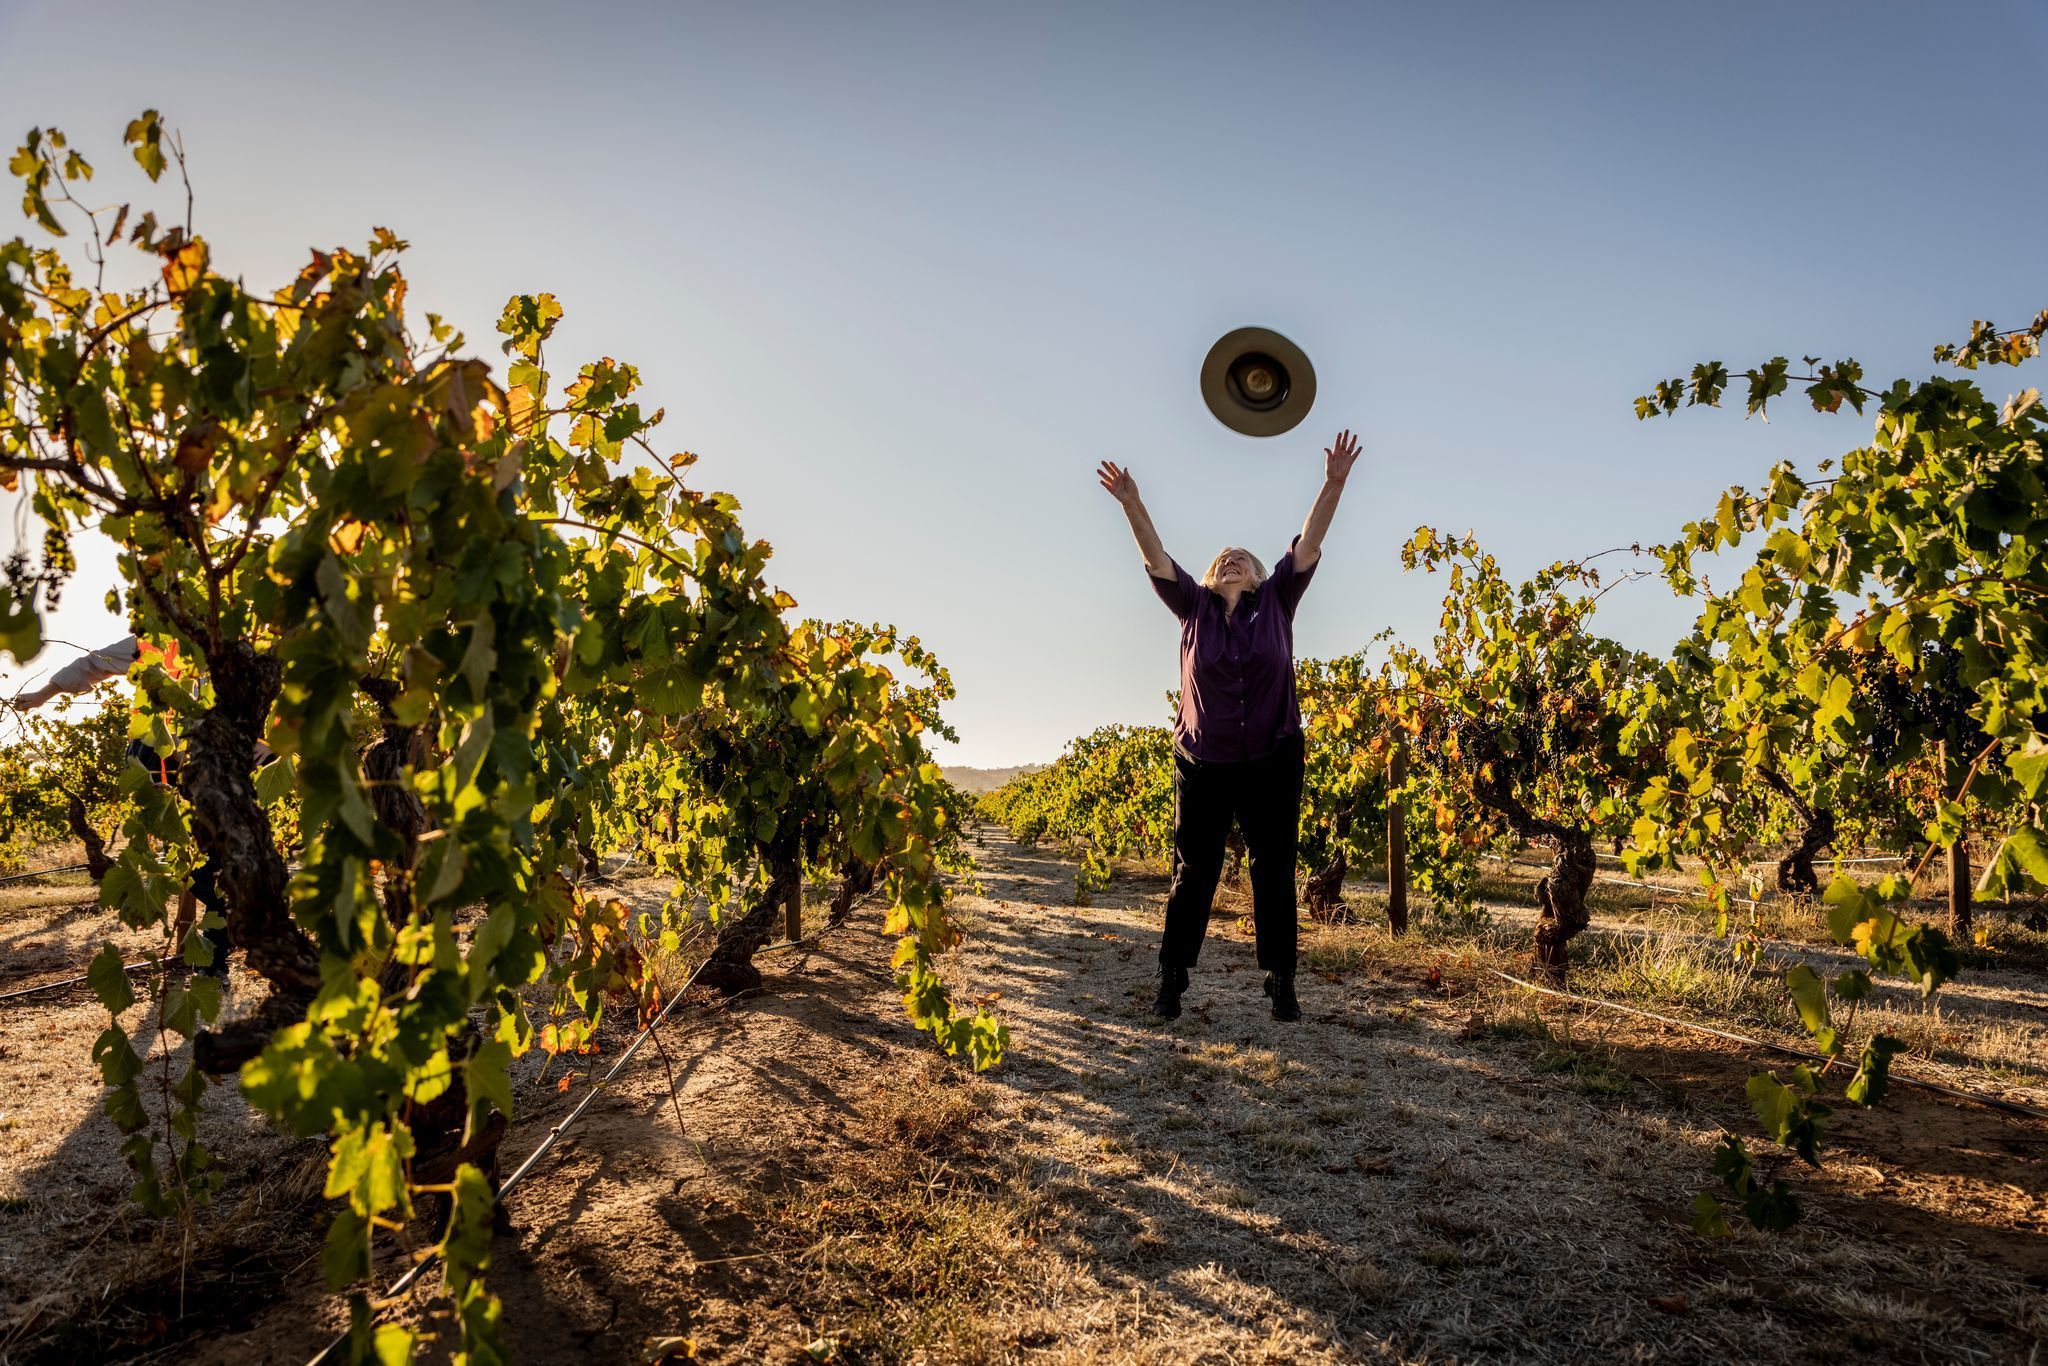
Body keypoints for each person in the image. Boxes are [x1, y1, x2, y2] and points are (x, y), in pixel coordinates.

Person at [1097, 430, 1360, 1022]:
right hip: (1204, 760)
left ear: (1259, 571)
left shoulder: (1278, 600)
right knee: (1195, 871)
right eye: (1222, 559)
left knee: (1274, 868)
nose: (1230, 559)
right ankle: (1171, 980)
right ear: (1212, 576)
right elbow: (1155, 556)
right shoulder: (1192, 605)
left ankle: (1281, 981)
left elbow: (1311, 541)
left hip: (1273, 754)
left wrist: (1334, 483)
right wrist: (1132, 502)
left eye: (1241, 557)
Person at [10, 635, 232, 980]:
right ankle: (209, 949)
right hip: (155, 758)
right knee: (210, 866)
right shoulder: (156, 640)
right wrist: (43, 695)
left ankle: (214, 958)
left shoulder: (239, 642)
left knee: (220, 863)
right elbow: (94, 663)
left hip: (204, 761)